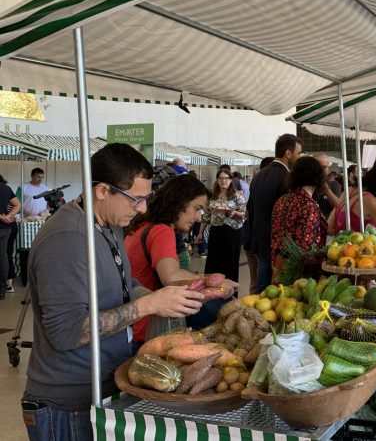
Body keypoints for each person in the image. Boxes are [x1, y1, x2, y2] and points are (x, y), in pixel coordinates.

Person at [21, 143, 204, 440]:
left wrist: (160, 299)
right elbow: (67, 332)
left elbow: (122, 284)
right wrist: (149, 305)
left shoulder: (107, 225)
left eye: (147, 199)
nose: (143, 208)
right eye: (136, 199)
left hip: (102, 389)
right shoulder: (67, 238)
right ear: (102, 191)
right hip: (67, 406)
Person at [125, 174, 219, 344]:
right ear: (180, 203)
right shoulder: (162, 231)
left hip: (136, 327)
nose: (199, 217)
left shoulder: (144, 225)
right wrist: (218, 283)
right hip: (152, 331)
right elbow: (171, 276)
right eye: (197, 208)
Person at [247, 134, 302, 293]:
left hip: (258, 237)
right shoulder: (286, 178)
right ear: (288, 153)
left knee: (262, 281)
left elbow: (250, 209)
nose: (299, 158)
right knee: (272, 285)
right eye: (298, 153)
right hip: (276, 241)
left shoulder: (258, 176)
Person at [271, 157, 329, 278]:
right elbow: (307, 246)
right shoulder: (308, 206)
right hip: (298, 273)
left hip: (278, 265)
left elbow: (275, 233)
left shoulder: (281, 200)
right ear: (318, 177)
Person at [328, 160, 376, 243]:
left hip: (341, 251)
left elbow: (330, 226)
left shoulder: (349, 191)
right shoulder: (368, 200)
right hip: (356, 253)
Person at [196, 169, 246, 286]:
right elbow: (206, 216)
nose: (223, 181)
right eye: (221, 178)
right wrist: (200, 233)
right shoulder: (212, 196)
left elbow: (244, 214)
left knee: (230, 263)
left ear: (230, 180)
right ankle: (212, 292)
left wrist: (234, 213)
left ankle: (230, 292)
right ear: (217, 180)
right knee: (213, 262)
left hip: (232, 232)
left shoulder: (237, 196)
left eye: (226, 178)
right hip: (216, 232)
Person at [244, 156, 272, 295]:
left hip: (251, 238)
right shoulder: (267, 189)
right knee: (262, 276)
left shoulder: (255, 185)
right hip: (260, 240)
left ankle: (253, 302)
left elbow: (248, 212)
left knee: (254, 280)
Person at [0, 175, 20, 299]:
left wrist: (3, 217)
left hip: (3, 224)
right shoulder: (6, 188)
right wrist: (8, 216)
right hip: (4, 228)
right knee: (3, 257)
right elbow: (17, 204)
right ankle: (2, 289)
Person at [313, 154, 342, 218]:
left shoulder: (333, 184)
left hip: (328, 224)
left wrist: (326, 187)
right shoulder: (306, 185)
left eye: (324, 167)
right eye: (318, 167)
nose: (321, 170)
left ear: (328, 168)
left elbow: (338, 207)